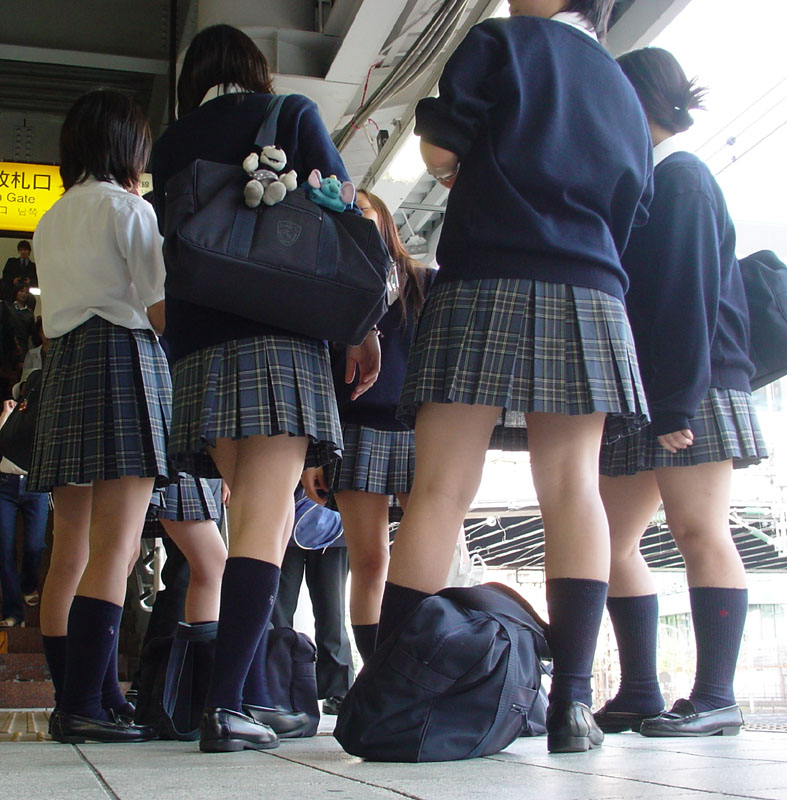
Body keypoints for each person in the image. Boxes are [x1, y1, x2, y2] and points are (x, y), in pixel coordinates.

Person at [376, 0, 653, 755]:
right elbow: (636, 207)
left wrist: (467, 171)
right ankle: (571, 706)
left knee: (439, 489)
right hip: (590, 289)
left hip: (485, 274)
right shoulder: (619, 85)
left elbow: (439, 146)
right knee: (573, 487)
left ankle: (393, 690)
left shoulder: (502, 40)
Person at [151, 24, 380, 753]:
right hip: (280, 334)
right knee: (262, 517)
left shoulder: (171, 142)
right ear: (255, 69)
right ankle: (226, 707)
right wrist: (361, 325)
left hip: (198, 346)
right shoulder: (292, 116)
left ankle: (247, 693)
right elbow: (344, 214)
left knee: (261, 518)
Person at [594, 47, 766, 739]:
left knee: (698, 529)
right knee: (608, 539)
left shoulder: (682, 177)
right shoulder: (652, 179)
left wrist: (675, 402)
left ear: (634, 100)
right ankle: (640, 690)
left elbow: (687, 299)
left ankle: (717, 697)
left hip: (693, 386)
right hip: (653, 387)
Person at [28, 89, 172, 744]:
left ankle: (85, 695)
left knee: (70, 549)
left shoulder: (50, 220)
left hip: (66, 370)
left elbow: (47, 325)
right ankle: (86, 704)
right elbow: (160, 309)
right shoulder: (129, 209)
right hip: (124, 362)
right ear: (127, 147)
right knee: (118, 544)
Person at [302, 190, 434, 664]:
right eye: (343, 213)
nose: (353, 217)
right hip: (354, 429)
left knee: (427, 551)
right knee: (369, 560)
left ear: (384, 218)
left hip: (420, 429)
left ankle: (423, 662)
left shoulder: (424, 281)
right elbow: (317, 376)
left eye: (361, 208)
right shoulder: (327, 288)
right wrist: (313, 454)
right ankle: (377, 671)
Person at [272, 492, 354, 714]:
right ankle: (277, 683)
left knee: (332, 610)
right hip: (284, 510)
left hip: (332, 520)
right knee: (278, 610)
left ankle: (338, 688)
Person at [0, 386, 50, 627]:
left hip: (35, 486)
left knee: (35, 545)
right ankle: (13, 612)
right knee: (4, 548)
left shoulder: (48, 414)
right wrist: (5, 416)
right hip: (5, 485)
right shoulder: (12, 412)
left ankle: (28, 585)